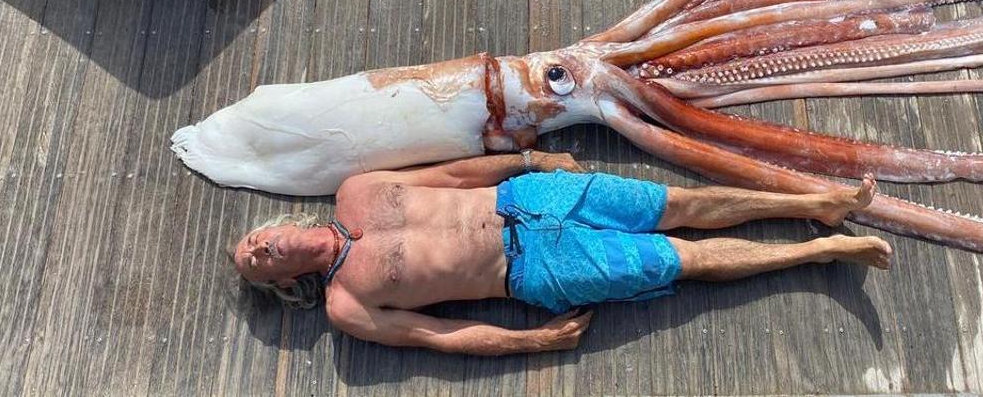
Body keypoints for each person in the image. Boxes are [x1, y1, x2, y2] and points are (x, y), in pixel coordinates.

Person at [230, 151, 889, 356]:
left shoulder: (356, 192)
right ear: (287, 285)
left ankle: (817, 204)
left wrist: (527, 157)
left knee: (679, 205)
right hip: (529, 271)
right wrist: (530, 342)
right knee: (680, 262)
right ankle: (823, 250)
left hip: (526, 194)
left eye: (256, 238)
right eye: (259, 260)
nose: (264, 246)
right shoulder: (348, 305)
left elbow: (457, 176)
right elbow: (440, 336)